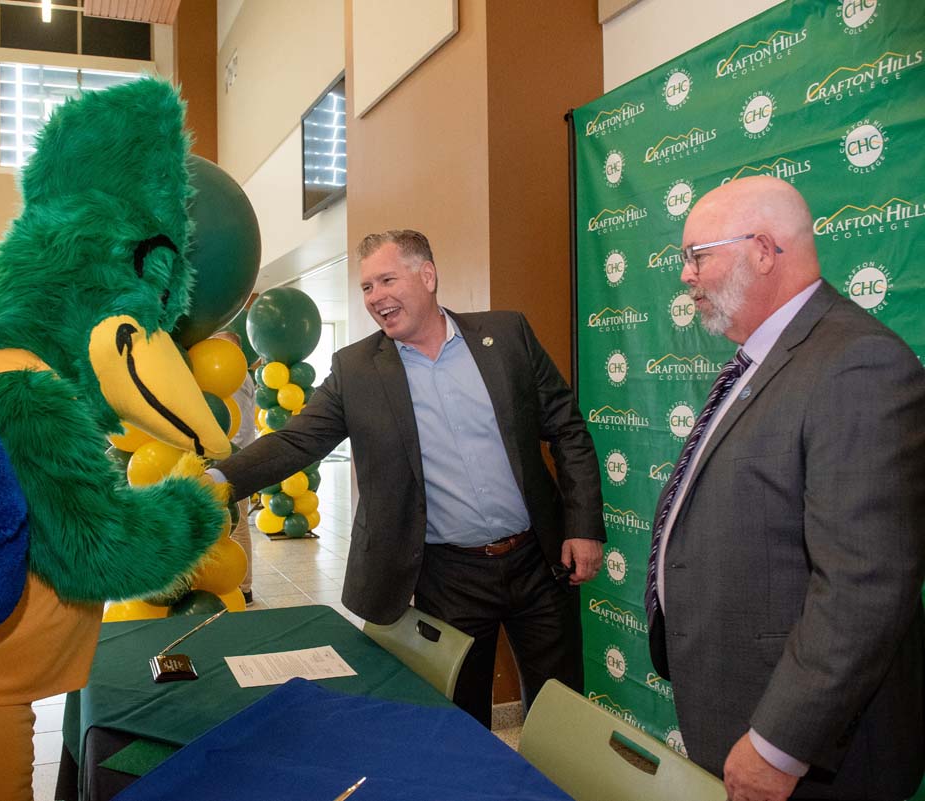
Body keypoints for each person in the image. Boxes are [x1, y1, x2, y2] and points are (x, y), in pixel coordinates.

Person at [213, 229, 605, 725]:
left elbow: (567, 429)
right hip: (449, 577)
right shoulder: (356, 370)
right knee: (458, 723)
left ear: (427, 276)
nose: (375, 297)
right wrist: (216, 481)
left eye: (386, 280)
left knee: (561, 715)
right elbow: (296, 442)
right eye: (366, 287)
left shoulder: (506, 336)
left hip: (539, 563)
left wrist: (583, 526)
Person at [645, 176, 925, 801]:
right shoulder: (765, 359)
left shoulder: (857, 363)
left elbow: (864, 586)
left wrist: (779, 744)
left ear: (764, 251)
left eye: (698, 255)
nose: (686, 276)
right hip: (739, 702)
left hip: (813, 750)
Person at [212, 330, 257, 603]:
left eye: (223, 346)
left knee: (237, 525)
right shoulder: (232, 375)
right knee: (232, 525)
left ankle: (244, 587)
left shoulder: (236, 377)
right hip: (232, 459)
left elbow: (235, 427)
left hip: (235, 460)